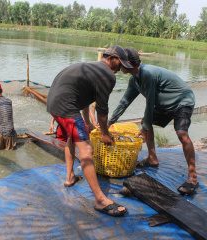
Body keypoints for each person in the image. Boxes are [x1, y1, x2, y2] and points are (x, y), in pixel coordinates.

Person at [47, 45, 132, 217]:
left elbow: (84, 101)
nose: (119, 69)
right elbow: (102, 110)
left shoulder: (91, 68)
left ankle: (70, 177)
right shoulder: (107, 74)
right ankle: (100, 200)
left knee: (73, 138)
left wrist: (87, 123)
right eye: (119, 63)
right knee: (86, 150)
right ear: (111, 58)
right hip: (67, 106)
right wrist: (105, 133)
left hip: (54, 104)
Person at [108, 46, 198, 196]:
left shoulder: (147, 74)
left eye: (120, 61)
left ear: (128, 63)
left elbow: (150, 103)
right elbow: (124, 102)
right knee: (146, 121)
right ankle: (152, 158)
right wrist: (109, 122)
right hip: (165, 103)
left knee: (182, 133)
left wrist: (144, 127)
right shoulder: (134, 80)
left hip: (182, 100)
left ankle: (193, 177)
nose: (118, 64)